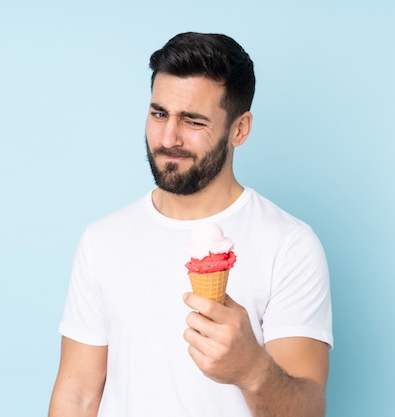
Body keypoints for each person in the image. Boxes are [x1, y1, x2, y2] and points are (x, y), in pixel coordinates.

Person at [48, 32, 333, 417]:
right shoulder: (102, 240)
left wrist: (253, 371)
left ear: (240, 129)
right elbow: (77, 395)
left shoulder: (290, 245)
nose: (168, 138)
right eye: (159, 113)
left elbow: (308, 410)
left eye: (193, 121)